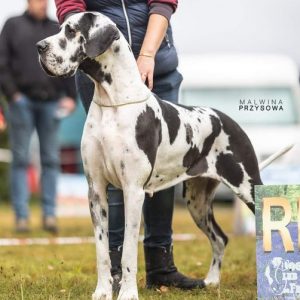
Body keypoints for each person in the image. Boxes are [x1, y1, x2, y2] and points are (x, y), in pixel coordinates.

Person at [55, 0, 204, 290]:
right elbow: (69, 5)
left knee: (163, 163)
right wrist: (85, 45)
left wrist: (147, 55)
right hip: (100, 68)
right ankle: (113, 272)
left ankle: (161, 267)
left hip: (156, 64)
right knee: (108, 172)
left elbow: (163, 3)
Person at [0, 0, 77, 233]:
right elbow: (1, 63)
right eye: (38, 0)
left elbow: (69, 59)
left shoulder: (57, 27)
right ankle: (22, 217)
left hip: (51, 104)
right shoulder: (12, 25)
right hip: (21, 102)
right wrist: (13, 95)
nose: (42, 4)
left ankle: (49, 215)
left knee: (51, 160)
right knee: (21, 160)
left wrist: (71, 97)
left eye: (45, 0)